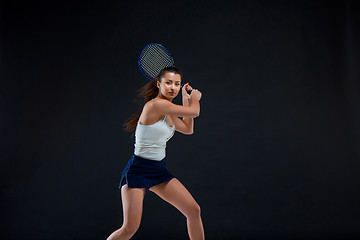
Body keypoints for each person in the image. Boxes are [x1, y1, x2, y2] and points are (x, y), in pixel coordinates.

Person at [107, 67, 204, 240]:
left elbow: (188, 128)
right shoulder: (155, 105)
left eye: (177, 84)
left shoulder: (169, 109)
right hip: (139, 169)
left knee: (193, 211)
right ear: (159, 84)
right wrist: (195, 99)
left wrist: (185, 100)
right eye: (168, 83)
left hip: (158, 170)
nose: (173, 87)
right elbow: (195, 112)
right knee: (129, 228)